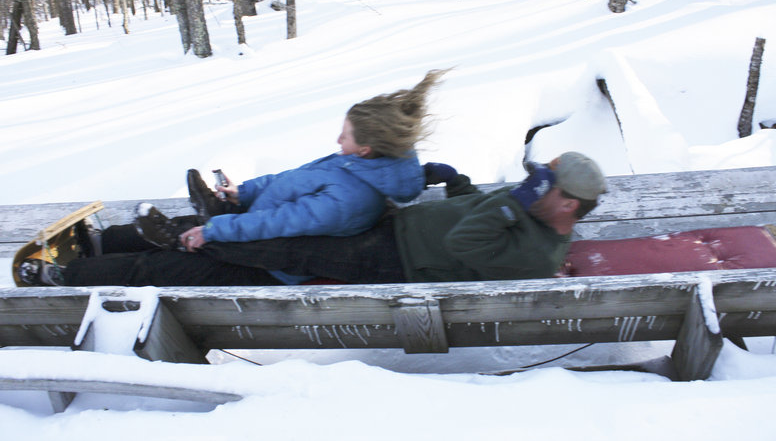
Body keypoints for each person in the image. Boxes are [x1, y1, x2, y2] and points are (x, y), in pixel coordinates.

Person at [18, 69, 449, 287]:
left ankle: (67, 280)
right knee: (181, 231)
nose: (338, 138)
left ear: (367, 147)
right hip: (258, 236)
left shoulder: (352, 198)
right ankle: (102, 244)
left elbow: (281, 225)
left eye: (346, 134)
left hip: (270, 266)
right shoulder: (356, 164)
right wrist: (244, 190)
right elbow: (292, 180)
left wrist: (217, 229)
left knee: (164, 267)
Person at [27, 151, 607, 287]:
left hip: (384, 260)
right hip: (389, 226)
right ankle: (116, 242)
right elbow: (471, 208)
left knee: (248, 245)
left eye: (546, 182)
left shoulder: (539, 252)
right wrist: (453, 180)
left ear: (569, 206)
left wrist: (507, 200)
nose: (533, 184)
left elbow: (468, 237)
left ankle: (77, 276)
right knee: (278, 214)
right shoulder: (528, 204)